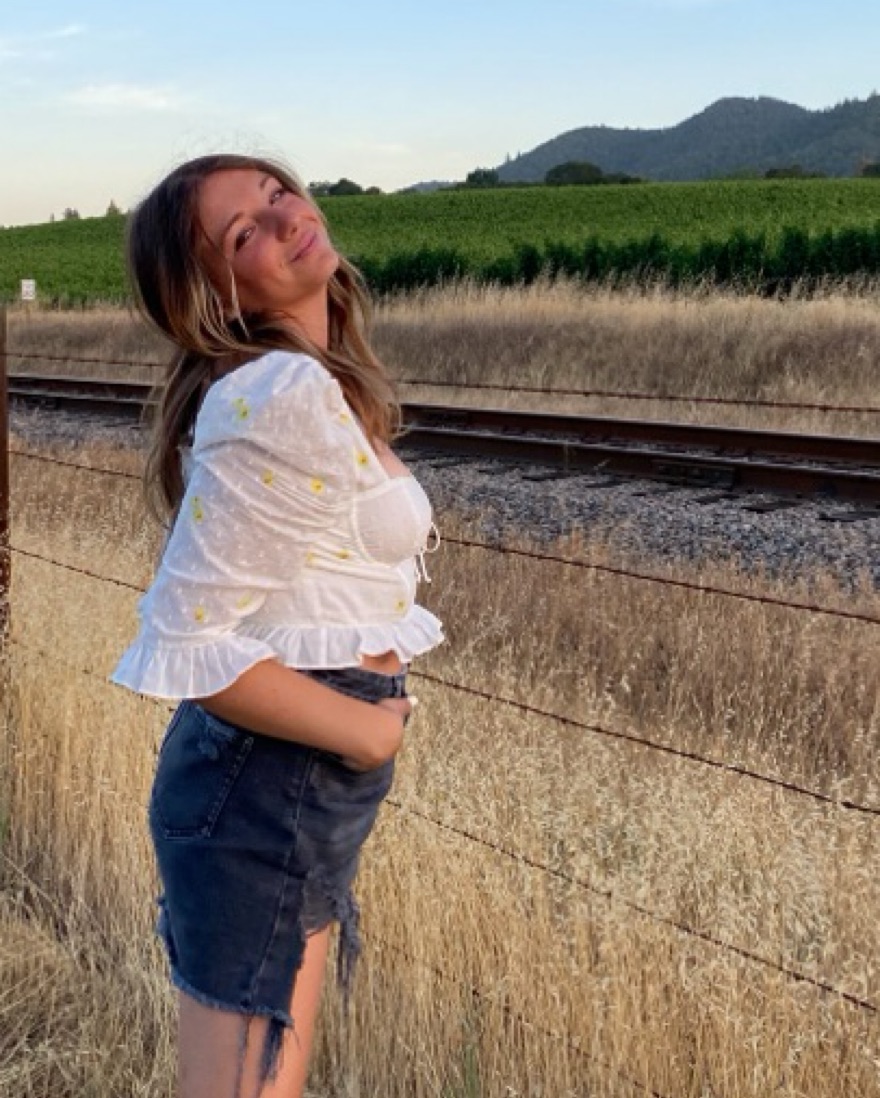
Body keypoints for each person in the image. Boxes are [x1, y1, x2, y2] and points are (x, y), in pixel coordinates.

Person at [109, 153, 443, 1098]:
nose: (286, 217)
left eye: (275, 193)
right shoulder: (278, 393)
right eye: (243, 233)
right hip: (271, 781)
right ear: (213, 297)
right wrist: (368, 732)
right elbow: (189, 644)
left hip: (284, 783)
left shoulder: (310, 383)